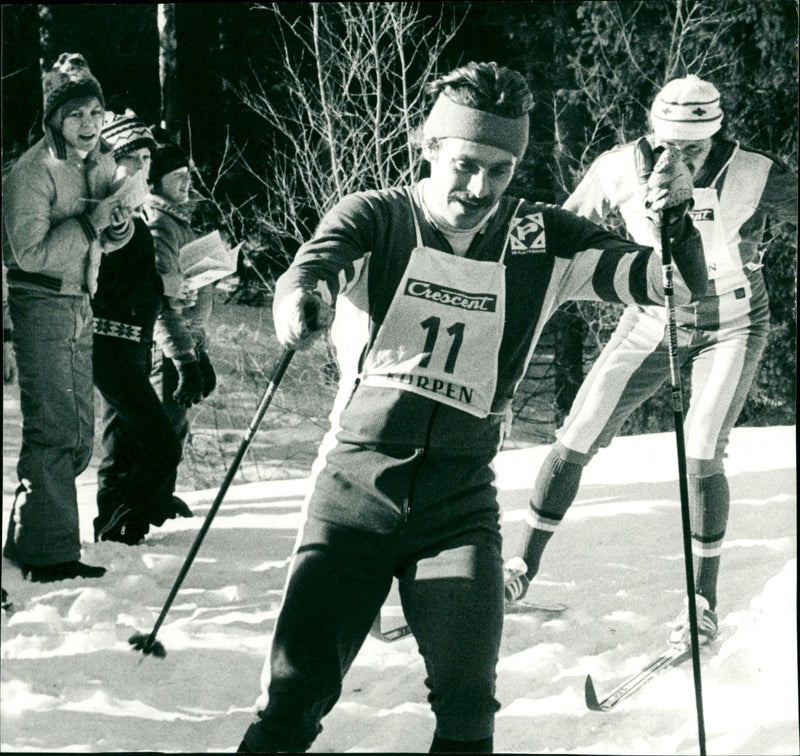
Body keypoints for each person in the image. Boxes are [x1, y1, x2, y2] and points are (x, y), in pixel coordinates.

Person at [238, 61, 707, 754]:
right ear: (429, 149)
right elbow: (314, 266)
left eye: (501, 168)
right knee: (294, 698)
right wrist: (300, 305)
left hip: (456, 506)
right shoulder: (379, 215)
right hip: (354, 493)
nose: (480, 187)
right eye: (464, 164)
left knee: (467, 708)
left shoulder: (542, 238)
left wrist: (678, 218)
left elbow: (669, 287)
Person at [503, 75, 798, 648]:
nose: (677, 156)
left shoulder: (756, 172)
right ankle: (519, 568)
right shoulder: (617, 167)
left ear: (715, 136)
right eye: (667, 143)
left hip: (731, 321)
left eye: (692, 148)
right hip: (652, 316)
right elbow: (561, 230)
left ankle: (701, 601)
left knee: (702, 447)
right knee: (579, 430)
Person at [2, 53, 133, 582]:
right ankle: (47, 555)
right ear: (55, 118)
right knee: (54, 430)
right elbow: (28, 253)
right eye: (77, 114)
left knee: (78, 434)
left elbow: (102, 231)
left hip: (80, 301)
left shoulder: (98, 162)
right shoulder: (31, 172)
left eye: (96, 113)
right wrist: (91, 222)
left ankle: (28, 536)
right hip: (38, 303)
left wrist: (117, 225)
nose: (89, 124)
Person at [91, 110, 187, 546]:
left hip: (130, 347)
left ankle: (121, 523)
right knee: (161, 443)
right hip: (109, 345)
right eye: (137, 159)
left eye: (149, 159)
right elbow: (103, 279)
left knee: (123, 439)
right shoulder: (110, 212)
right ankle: (123, 514)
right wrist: (160, 282)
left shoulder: (129, 210)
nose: (146, 168)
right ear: (113, 160)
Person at [145, 130, 216, 515]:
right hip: (167, 347)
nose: (187, 182)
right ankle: (151, 498)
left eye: (188, 174)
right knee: (165, 426)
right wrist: (185, 358)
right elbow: (162, 303)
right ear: (154, 183)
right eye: (177, 178)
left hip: (184, 341)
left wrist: (199, 349)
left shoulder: (178, 222)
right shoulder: (160, 226)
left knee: (177, 425)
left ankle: (161, 492)